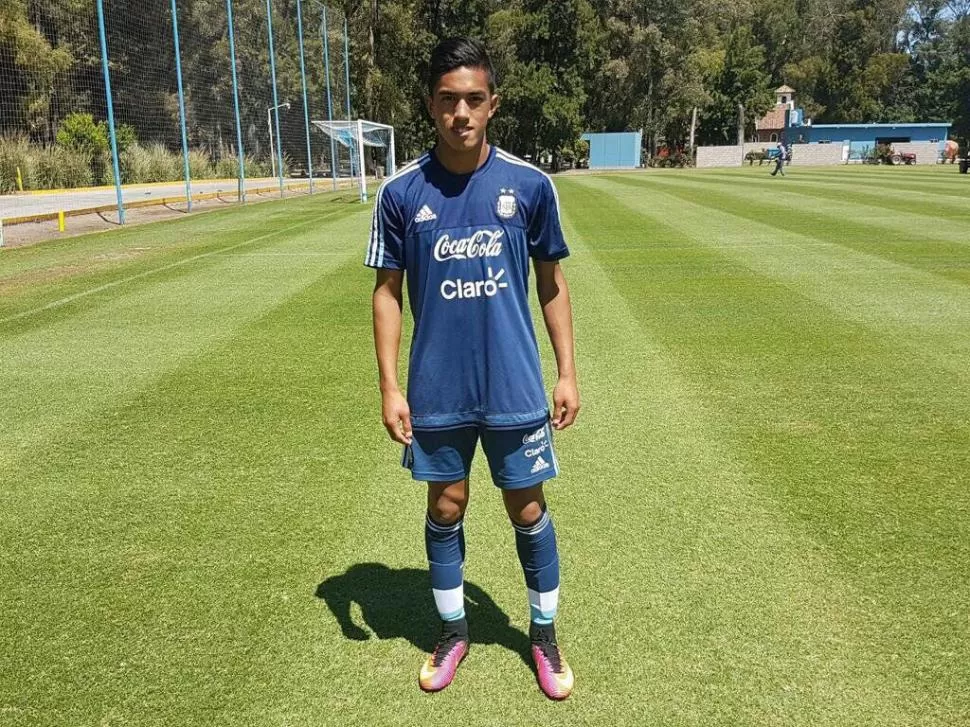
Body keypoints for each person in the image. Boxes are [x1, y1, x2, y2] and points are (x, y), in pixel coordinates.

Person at [366, 36, 580, 700]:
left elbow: (552, 284)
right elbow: (386, 292)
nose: (462, 112)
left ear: (493, 104)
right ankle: (454, 629)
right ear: (431, 105)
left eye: (474, 99)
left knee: (528, 507)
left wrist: (567, 372)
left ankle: (542, 637)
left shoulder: (528, 185)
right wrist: (391, 385)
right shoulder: (402, 192)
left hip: (513, 386)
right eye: (448, 100)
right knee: (447, 503)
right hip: (438, 390)